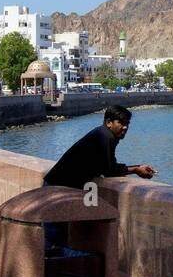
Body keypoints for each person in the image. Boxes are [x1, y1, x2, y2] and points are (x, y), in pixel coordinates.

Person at [41, 105, 156, 250]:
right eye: (121, 123)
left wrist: (136, 168)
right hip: (56, 190)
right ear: (109, 122)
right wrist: (137, 170)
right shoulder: (105, 137)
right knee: (53, 244)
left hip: (57, 188)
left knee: (55, 243)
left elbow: (107, 166)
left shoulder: (104, 135)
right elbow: (110, 170)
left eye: (127, 124)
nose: (125, 127)